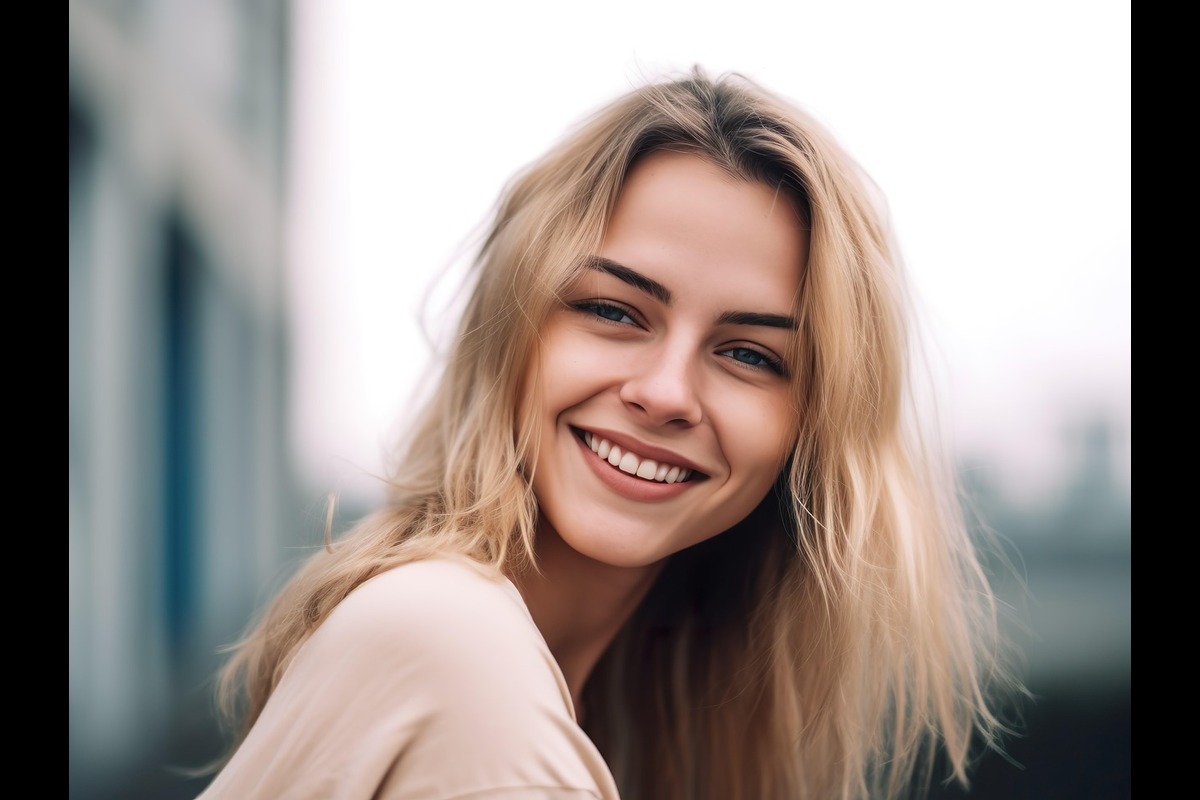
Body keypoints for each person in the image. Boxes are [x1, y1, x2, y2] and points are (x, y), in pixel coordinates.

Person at [197, 67, 1023, 800]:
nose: (666, 393)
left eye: (748, 354)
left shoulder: (579, 693)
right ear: (512, 331)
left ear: (811, 428)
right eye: (612, 310)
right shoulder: (458, 654)